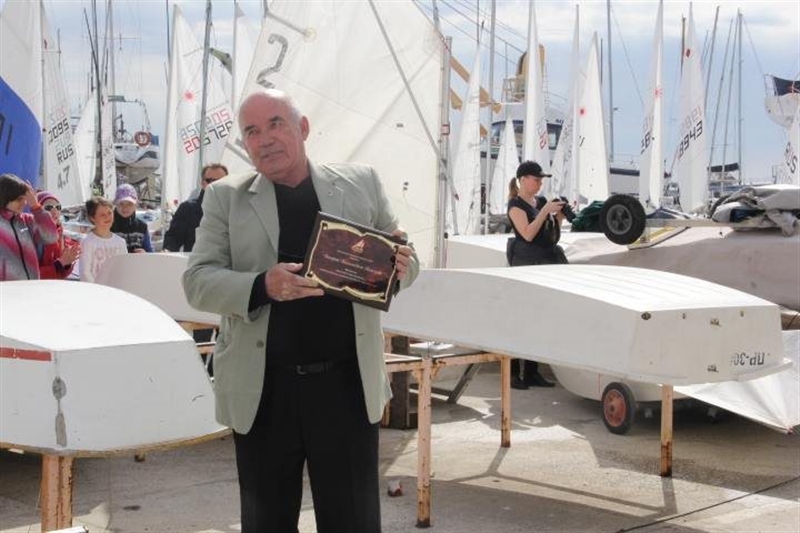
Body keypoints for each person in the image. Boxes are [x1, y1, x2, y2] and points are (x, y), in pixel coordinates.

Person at [182, 88, 418, 533]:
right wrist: (261, 285)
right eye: (252, 131)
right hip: (263, 391)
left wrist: (399, 266)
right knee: (266, 522)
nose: (265, 139)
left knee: (353, 522)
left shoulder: (361, 182)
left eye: (276, 124)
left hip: (346, 388)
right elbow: (197, 281)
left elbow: (407, 259)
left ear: (302, 127)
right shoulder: (225, 197)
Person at [506, 160, 567, 390]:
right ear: (523, 180)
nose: (540, 183)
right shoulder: (515, 205)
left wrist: (559, 216)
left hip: (543, 262)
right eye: (536, 179)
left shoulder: (540, 202)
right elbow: (528, 234)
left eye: (541, 179)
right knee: (520, 320)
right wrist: (544, 212)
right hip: (525, 263)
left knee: (539, 318)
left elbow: (547, 232)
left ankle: (532, 372)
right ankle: (513, 373)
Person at [0, 173, 58, 281]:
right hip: (6, 288)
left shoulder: (28, 220)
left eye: (25, 198)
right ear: (5, 198)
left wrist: (36, 207)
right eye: (19, 199)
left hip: (30, 286)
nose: (24, 203)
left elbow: (51, 237)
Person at [163, 163, 228, 252]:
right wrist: (168, 251)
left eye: (221, 181)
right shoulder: (188, 209)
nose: (215, 185)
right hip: (196, 259)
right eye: (210, 181)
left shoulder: (235, 210)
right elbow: (174, 238)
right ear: (202, 183)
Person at [80, 196, 127, 283]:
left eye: (109, 213)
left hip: (116, 289)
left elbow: (124, 269)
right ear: (92, 218)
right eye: (102, 215)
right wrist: (98, 289)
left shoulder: (121, 242)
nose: (107, 217)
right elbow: (85, 273)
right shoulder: (87, 242)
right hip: (95, 289)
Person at [36, 191, 81, 280]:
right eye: (48, 207)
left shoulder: (60, 235)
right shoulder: (32, 236)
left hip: (55, 286)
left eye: (58, 207)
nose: (55, 211)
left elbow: (61, 273)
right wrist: (60, 264)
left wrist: (67, 263)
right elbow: (28, 275)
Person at [110, 183, 153, 253]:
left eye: (129, 204)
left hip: (136, 260)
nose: (125, 208)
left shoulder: (142, 227)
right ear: (115, 204)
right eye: (121, 204)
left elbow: (150, 251)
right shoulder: (108, 225)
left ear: (136, 205)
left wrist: (144, 253)